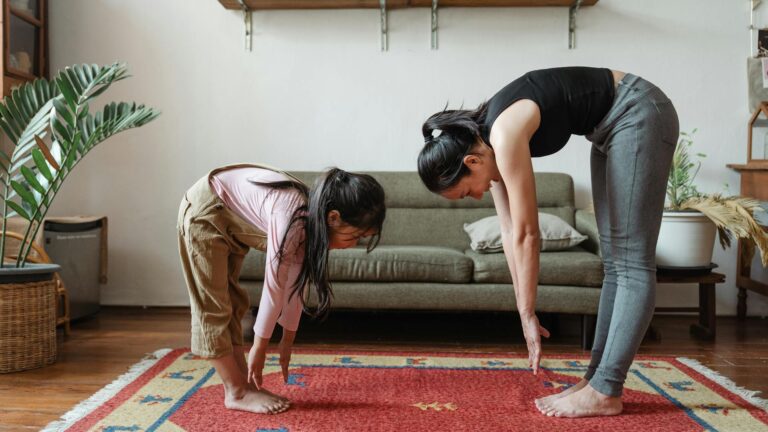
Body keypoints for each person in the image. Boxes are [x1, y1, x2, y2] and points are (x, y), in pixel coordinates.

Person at [417, 67, 679, 418]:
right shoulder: (486, 145)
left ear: (471, 161)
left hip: (638, 111)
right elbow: (509, 231)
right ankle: (597, 381)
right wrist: (522, 309)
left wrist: (528, 313)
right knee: (616, 263)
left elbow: (528, 234)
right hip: (608, 129)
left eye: (467, 191)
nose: (476, 195)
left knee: (631, 261)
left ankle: (606, 390)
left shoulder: (504, 135)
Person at [177, 164, 386, 414]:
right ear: (334, 218)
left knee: (233, 304)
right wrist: (259, 346)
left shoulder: (311, 224)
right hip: (206, 212)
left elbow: (293, 285)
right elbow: (274, 284)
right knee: (212, 307)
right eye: (355, 236)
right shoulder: (293, 216)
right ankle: (237, 391)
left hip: (228, 219)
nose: (353, 245)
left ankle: (244, 387)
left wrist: (286, 342)